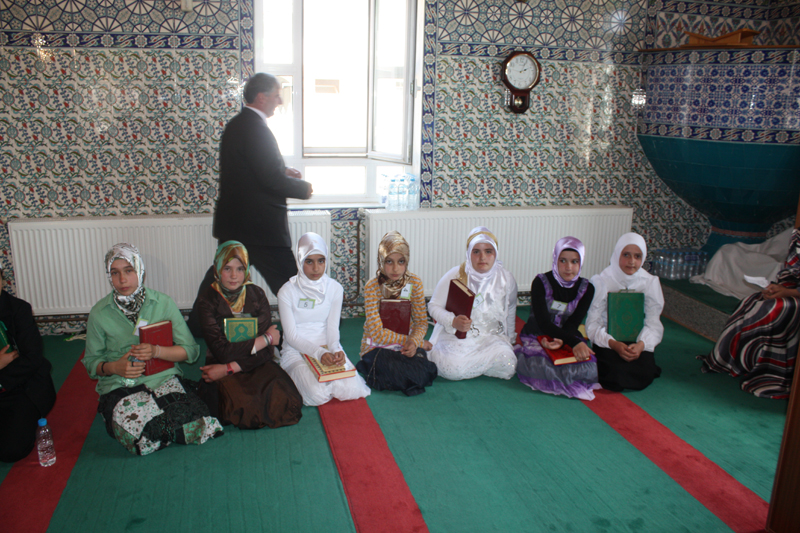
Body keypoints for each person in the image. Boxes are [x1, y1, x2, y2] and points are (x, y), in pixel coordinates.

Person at [188, 72, 313, 336]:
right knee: (289, 280)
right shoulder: (255, 128)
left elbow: (250, 170)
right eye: (276, 95)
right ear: (261, 97)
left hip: (240, 223)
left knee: (220, 277)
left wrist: (282, 170)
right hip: (259, 227)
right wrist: (303, 188)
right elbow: (268, 178)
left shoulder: (240, 124)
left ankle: (197, 326)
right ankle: (310, 322)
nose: (280, 101)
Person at [83, 243, 223, 455]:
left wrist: (157, 351)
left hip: (162, 379)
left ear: (141, 271)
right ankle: (148, 424)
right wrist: (114, 367)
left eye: (129, 270)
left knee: (200, 420)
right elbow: (92, 363)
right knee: (141, 433)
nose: (122, 280)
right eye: (115, 273)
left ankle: (161, 428)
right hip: (120, 384)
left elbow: (191, 351)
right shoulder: (99, 312)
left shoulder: (162, 303)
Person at [195, 241, 303, 428]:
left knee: (286, 398)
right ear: (217, 269)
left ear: (246, 270)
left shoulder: (256, 294)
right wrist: (267, 339)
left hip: (254, 362)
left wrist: (229, 368)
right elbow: (223, 352)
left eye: (240, 269)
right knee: (240, 404)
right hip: (220, 362)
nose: (234, 276)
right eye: (227, 268)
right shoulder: (207, 300)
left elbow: (267, 352)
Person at [699, 228, 800, 399]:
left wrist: (789, 293)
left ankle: (770, 369)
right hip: (793, 290)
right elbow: (792, 273)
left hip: (795, 295)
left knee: (774, 309)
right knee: (752, 301)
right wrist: (777, 288)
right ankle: (741, 362)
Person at [277, 233, 370, 406]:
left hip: (327, 345)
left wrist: (334, 348)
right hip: (297, 350)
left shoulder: (335, 288)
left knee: (353, 390)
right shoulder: (287, 291)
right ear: (300, 261)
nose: (316, 268)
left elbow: (332, 327)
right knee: (317, 395)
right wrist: (319, 353)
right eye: (309, 261)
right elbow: (291, 336)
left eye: (321, 261)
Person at [427, 226, 518, 381]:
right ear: (469, 253)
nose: (482, 257)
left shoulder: (506, 279)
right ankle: (479, 365)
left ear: (496, 253)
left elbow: (510, 309)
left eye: (488, 251)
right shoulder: (456, 274)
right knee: (452, 368)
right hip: (459, 338)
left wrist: (510, 340)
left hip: (491, 337)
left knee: (509, 363)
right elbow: (433, 306)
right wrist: (452, 321)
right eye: (476, 252)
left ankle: (474, 365)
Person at [515, 236, 598, 400]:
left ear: (581, 262)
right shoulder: (540, 282)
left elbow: (574, 322)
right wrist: (572, 342)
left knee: (590, 367)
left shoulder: (587, 288)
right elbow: (543, 322)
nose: (569, 267)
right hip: (539, 333)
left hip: (568, 333)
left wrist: (563, 341)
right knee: (540, 366)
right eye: (563, 260)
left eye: (574, 261)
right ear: (555, 260)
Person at [356, 231, 438, 396]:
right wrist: (416, 342)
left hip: (405, 345)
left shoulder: (414, 282)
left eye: (401, 261)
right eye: (389, 261)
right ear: (381, 261)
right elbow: (377, 334)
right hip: (378, 346)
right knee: (394, 369)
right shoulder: (372, 287)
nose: (395, 268)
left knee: (423, 370)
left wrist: (413, 343)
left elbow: (421, 322)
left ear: (407, 261)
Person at [586, 233, 664, 391]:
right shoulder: (602, 281)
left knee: (645, 373)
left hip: (637, 340)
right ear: (617, 255)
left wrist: (641, 345)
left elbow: (653, 322)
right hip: (609, 339)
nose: (632, 261)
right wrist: (613, 344)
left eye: (637, 256)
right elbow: (592, 324)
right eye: (626, 255)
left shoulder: (649, 282)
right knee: (612, 374)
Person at [0, 268, 56, 463]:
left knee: (11, 450)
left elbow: (32, 358)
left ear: (2, 280)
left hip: (22, 387)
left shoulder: (18, 309)